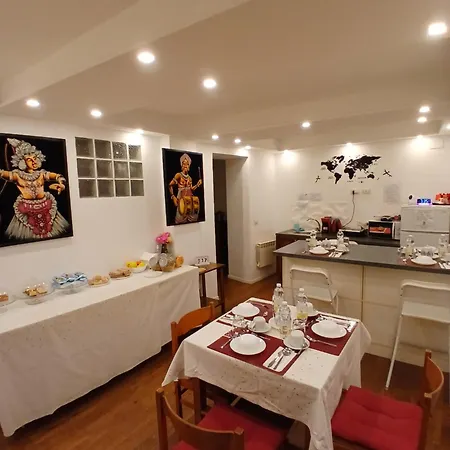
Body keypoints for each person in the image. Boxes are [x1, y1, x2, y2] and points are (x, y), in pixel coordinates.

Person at [0, 138, 69, 240]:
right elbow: (2, 173)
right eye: (29, 160)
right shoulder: (17, 175)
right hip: (27, 212)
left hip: (46, 209)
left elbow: (59, 176)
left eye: (35, 158)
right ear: (22, 162)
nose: (34, 161)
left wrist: (62, 185)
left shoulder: (41, 174)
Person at [168, 153, 202, 224]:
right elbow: (170, 185)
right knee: (180, 217)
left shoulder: (190, 178)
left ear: (189, 166)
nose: (185, 166)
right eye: (184, 164)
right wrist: (173, 196)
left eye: (187, 164)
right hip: (181, 199)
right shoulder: (178, 175)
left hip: (189, 200)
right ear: (181, 165)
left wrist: (197, 185)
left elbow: (191, 189)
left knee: (193, 217)